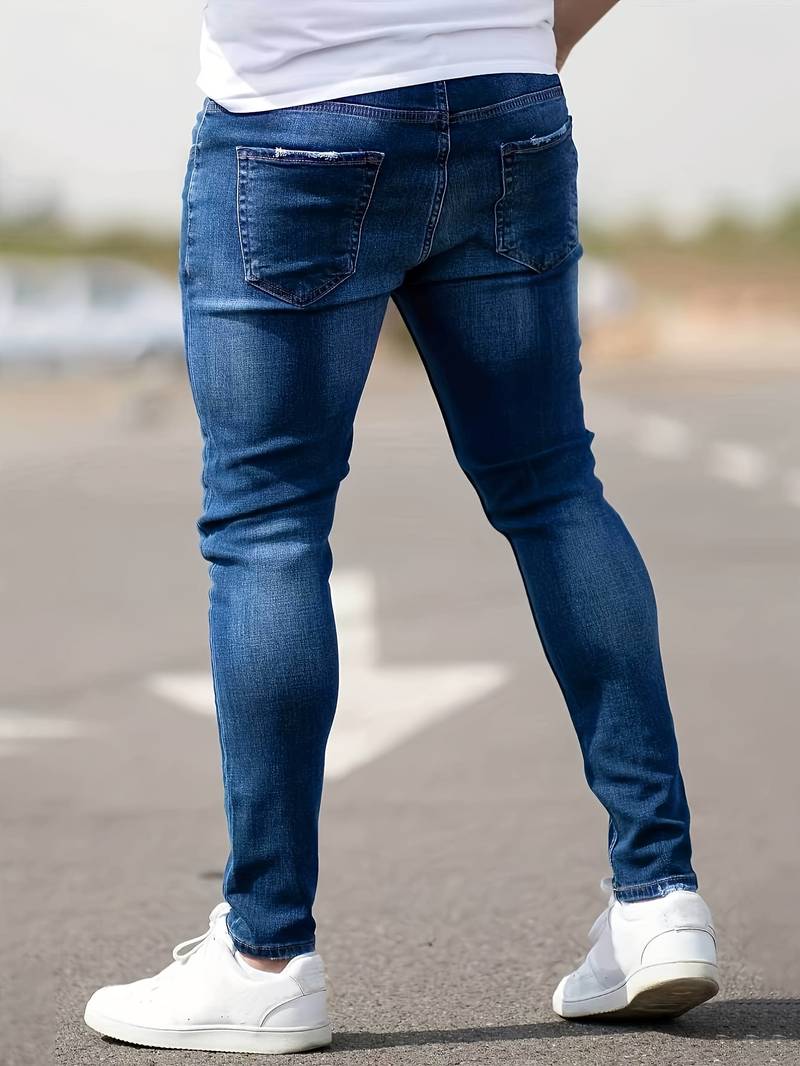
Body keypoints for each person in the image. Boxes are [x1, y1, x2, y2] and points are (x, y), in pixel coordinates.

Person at [84, 0, 719, 1052]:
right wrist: (522, 39)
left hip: (294, 111)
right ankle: (657, 897)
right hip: (504, 106)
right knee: (554, 489)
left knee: (269, 527)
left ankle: (264, 957)